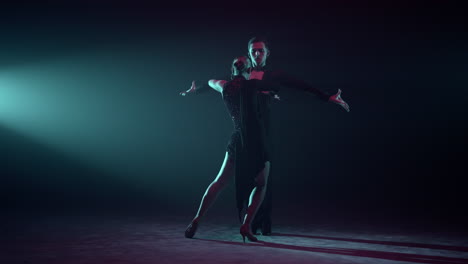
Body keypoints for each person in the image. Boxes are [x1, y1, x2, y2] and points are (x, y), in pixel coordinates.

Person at [184, 56, 279, 242]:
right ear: (249, 69)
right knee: (261, 184)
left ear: (232, 69)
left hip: (238, 139)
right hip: (256, 141)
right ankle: (246, 224)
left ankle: (197, 218)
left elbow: (211, 81)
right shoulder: (254, 86)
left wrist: (198, 90)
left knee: (220, 181)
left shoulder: (224, 87)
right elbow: (268, 93)